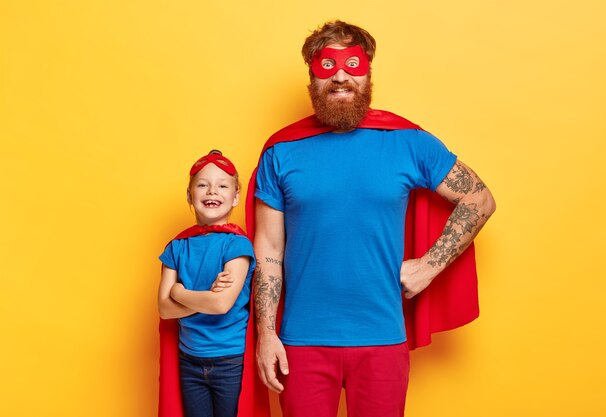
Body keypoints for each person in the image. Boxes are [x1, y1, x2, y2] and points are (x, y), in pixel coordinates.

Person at [246, 20, 496, 417]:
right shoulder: (282, 152)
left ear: (368, 73)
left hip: (381, 339)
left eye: (353, 64)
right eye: (328, 66)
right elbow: (269, 250)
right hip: (301, 342)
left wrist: (429, 267)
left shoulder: (407, 141)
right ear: (312, 77)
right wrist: (265, 334)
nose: (341, 76)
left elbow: (479, 199)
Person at [157, 150, 256, 417]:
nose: (212, 191)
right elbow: (165, 309)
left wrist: (179, 292)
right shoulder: (177, 247)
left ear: (235, 196)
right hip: (189, 358)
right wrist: (203, 298)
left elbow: (222, 304)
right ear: (190, 196)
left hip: (229, 359)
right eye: (202, 185)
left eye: (223, 186)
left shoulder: (237, 244)